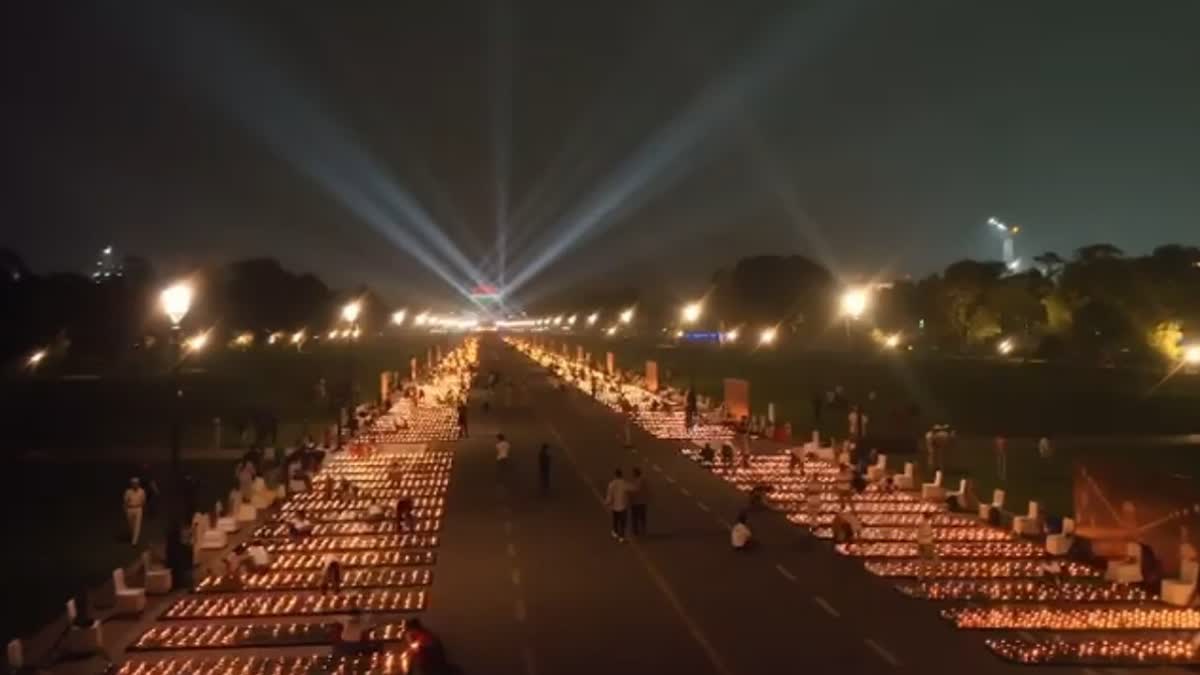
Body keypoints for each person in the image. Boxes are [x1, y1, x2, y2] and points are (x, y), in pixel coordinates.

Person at [604, 469, 631, 542]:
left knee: (615, 520)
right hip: (623, 506)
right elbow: (632, 489)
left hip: (615, 506)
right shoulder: (624, 483)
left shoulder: (611, 484)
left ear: (615, 475)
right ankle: (621, 536)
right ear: (621, 475)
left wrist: (607, 503)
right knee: (623, 522)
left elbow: (609, 495)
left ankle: (615, 532)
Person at [123, 477, 147, 546]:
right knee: (131, 525)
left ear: (138, 484)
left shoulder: (142, 491)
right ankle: (133, 536)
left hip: (138, 509)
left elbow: (144, 501)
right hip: (130, 509)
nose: (135, 485)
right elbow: (125, 502)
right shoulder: (128, 492)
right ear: (131, 484)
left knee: (137, 525)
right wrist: (125, 509)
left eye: (136, 483)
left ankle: (134, 542)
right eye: (133, 484)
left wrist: (143, 508)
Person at [628, 467, 649, 536]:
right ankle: (642, 530)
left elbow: (633, 491)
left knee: (635, 517)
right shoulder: (644, 481)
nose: (632, 474)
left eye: (633, 473)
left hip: (636, 502)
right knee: (642, 517)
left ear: (636, 473)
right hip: (642, 502)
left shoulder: (635, 481)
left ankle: (636, 531)